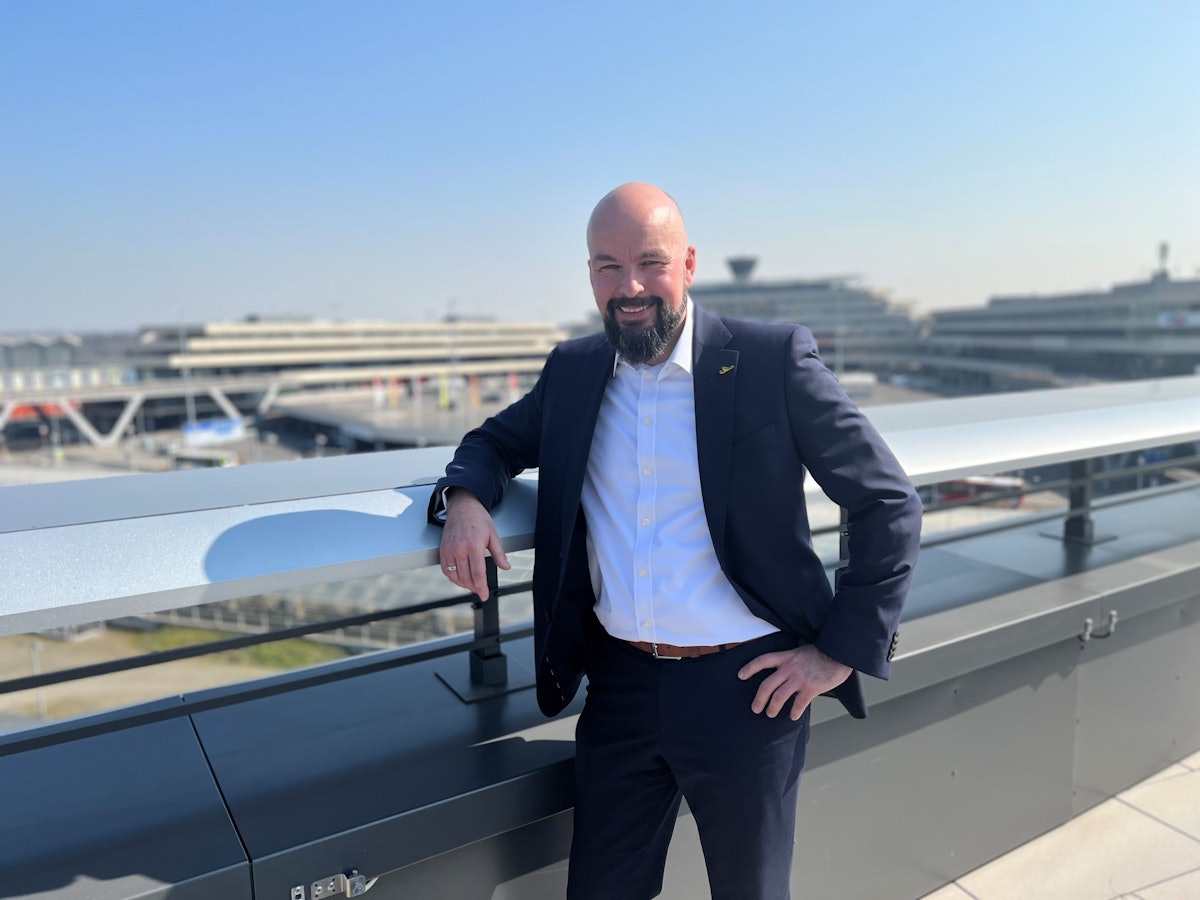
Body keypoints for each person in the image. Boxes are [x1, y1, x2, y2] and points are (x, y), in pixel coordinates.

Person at [429, 183, 922, 899]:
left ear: (688, 264)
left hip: (751, 689)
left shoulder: (768, 360)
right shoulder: (572, 371)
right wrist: (467, 501)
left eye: (648, 263)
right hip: (621, 687)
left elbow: (888, 502)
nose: (628, 287)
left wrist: (838, 652)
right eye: (606, 266)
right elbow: (492, 441)